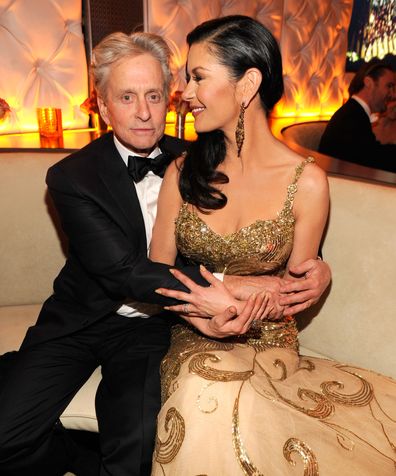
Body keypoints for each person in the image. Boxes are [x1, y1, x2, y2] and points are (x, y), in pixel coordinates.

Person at [0, 31, 330, 476]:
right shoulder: (71, 177)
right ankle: (77, 453)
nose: (142, 113)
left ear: (169, 100)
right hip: (80, 320)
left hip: (157, 324)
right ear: (103, 107)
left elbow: (260, 226)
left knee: (138, 441)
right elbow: (124, 271)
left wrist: (318, 268)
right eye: (127, 97)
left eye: (154, 95)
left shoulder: (197, 160)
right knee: (6, 437)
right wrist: (233, 286)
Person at [149, 16, 396, 475]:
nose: (183, 93)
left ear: (248, 84)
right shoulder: (182, 173)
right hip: (192, 334)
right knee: (206, 389)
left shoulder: (307, 183)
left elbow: (295, 294)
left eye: (198, 77)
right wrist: (205, 311)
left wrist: (309, 275)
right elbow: (154, 277)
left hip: (270, 343)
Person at [319, 59, 396, 173]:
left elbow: (370, 152)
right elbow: (372, 159)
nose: (393, 94)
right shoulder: (351, 117)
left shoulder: (354, 112)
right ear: (368, 82)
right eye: (389, 86)